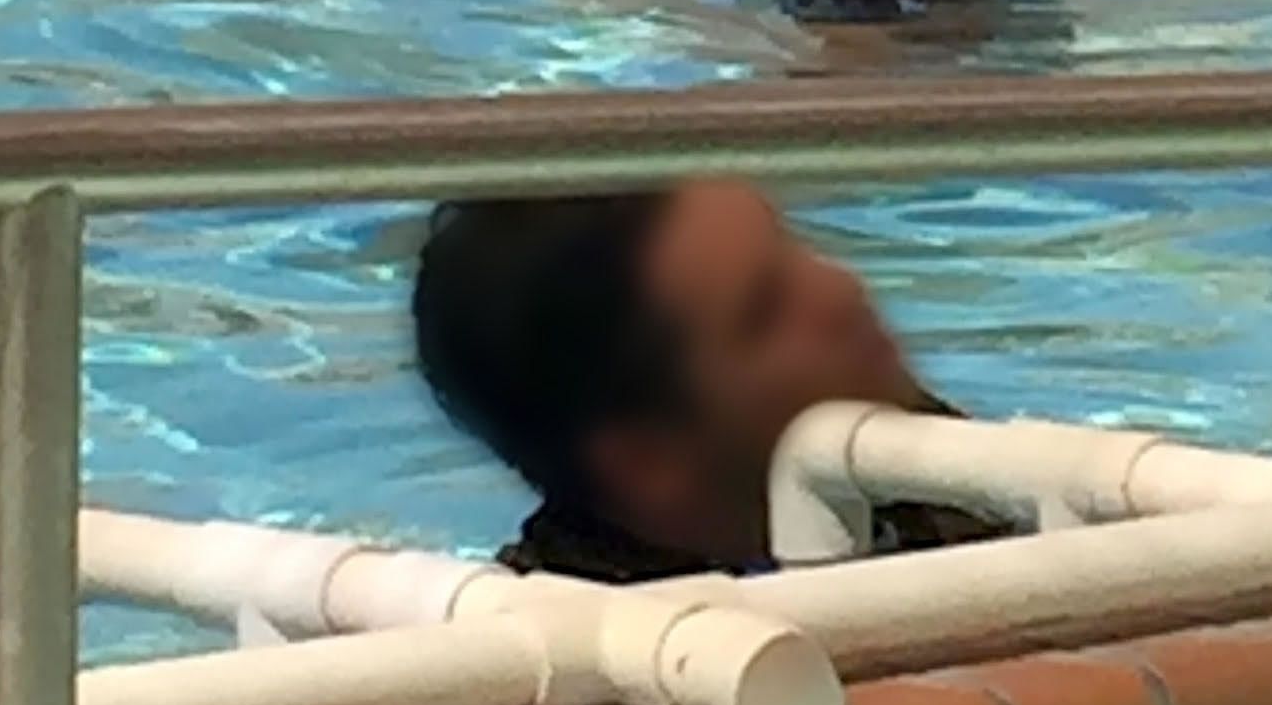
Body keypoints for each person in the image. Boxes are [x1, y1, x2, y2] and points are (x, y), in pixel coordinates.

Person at [413, 185, 979, 577]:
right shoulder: (574, 664)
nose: (841, 290)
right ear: (648, 460)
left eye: (793, 247)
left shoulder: (930, 478)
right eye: (765, 311)